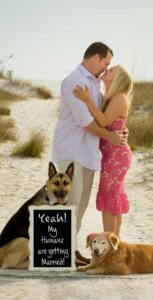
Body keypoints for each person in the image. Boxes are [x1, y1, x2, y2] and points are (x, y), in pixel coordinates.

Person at [52, 42, 127, 242]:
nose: (106, 68)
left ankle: (71, 251)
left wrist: (120, 129)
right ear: (96, 58)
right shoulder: (74, 81)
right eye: (106, 63)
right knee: (70, 205)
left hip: (89, 154)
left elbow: (105, 117)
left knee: (81, 206)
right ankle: (62, 254)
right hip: (72, 151)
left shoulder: (96, 84)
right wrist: (111, 137)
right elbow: (85, 121)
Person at [73, 64, 133, 237]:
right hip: (113, 155)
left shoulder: (119, 98)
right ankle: (115, 244)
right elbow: (117, 123)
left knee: (109, 199)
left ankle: (109, 246)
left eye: (111, 70)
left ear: (118, 78)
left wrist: (86, 99)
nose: (107, 70)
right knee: (114, 198)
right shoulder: (112, 97)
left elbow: (105, 121)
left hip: (116, 156)